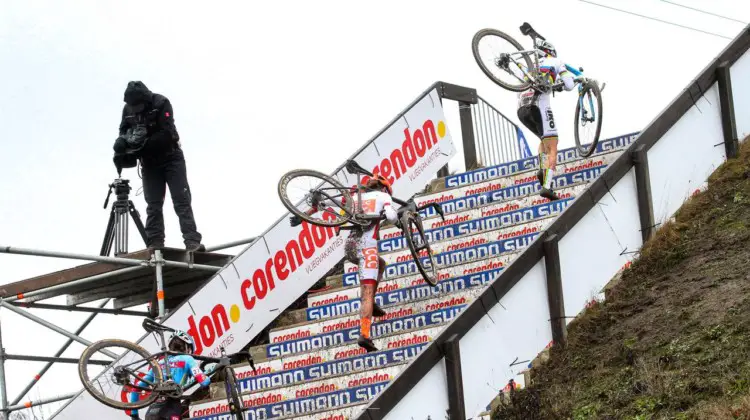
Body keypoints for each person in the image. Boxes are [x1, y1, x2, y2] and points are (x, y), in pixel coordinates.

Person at [289, 175, 397, 352]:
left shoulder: (353, 197)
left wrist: (303, 217)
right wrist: (388, 214)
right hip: (367, 248)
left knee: (381, 264)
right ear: (384, 189)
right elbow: (392, 217)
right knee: (366, 293)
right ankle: (365, 334)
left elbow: (323, 204)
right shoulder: (384, 197)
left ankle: (373, 304)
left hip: (350, 247)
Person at [118, 81, 205, 253]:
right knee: (153, 204)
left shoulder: (161, 103)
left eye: (138, 106)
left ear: (145, 99)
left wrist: (140, 147)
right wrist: (122, 145)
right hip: (149, 163)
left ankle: (192, 241)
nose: (136, 109)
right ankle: (155, 244)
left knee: (181, 199)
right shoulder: (128, 110)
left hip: (171, 157)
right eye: (132, 106)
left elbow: (166, 134)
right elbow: (123, 131)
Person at [516, 39, 585, 201]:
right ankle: (547, 186)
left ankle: (542, 168)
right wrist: (575, 80)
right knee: (553, 145)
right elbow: (568, 85)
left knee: (544, 140)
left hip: (521, 109)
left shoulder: (528, 65)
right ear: (551, 52)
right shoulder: (555, 61)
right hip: (540, 107)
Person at [128, 330, 210, 420]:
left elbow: (135, 389)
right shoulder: (187, 359)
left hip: (152, 412)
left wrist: (134, 415)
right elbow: (204, 382)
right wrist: (206, 375)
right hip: (171, 410)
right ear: (187, 347)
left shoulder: (159, 363)